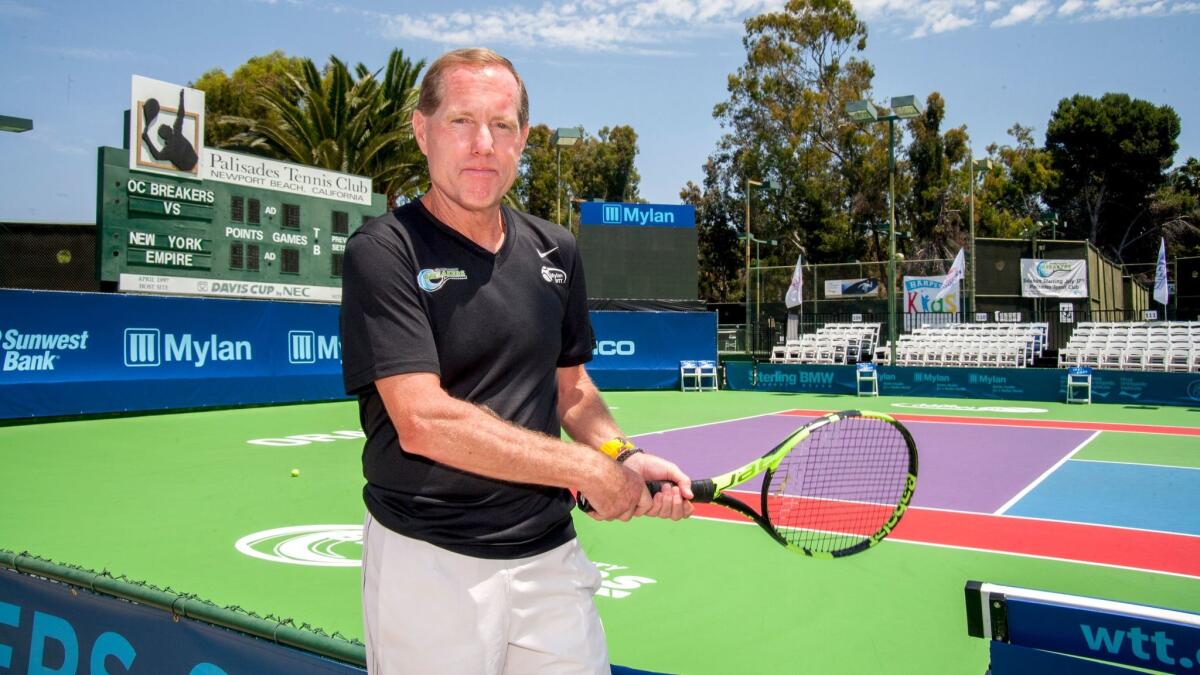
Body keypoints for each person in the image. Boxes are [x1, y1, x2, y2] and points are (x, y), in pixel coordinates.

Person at [339, 47, 694, 675]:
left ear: (522, 139)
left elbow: (573, 391)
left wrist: (623, 456)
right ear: (422, 131)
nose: (483, 143)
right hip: (428, 565)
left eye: (502, 126)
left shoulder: (556, 250)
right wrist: (586, 471)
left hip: (550, 561)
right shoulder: (383, 250)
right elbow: (424, 421)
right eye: (461, 121)